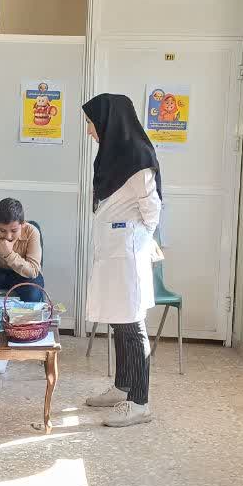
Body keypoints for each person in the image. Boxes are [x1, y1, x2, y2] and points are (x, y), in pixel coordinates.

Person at [81, 93, 164, 428]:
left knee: (132, 325)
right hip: (114, 251)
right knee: (119, 320)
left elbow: (152, 209)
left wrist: (137, 237)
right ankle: (122, 387)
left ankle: (140, 403)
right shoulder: (112, 155)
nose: (89, 130)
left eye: (91, 123)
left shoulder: (137, 157)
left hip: (127, 252)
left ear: (109, 121)